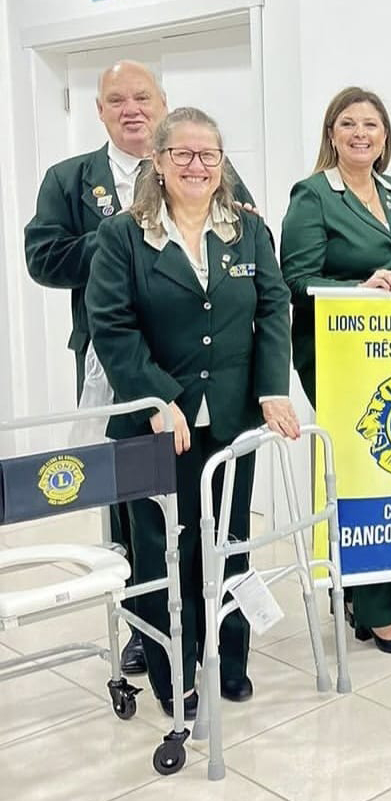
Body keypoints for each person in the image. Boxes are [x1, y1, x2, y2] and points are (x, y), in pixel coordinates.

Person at [23, 60, 257, 676]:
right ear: (99, 110)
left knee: (211, 511)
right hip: (119, 364)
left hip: (204, 369)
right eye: (117, 100)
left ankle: (217, 637)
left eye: (143, 98)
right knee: (136, 511)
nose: (132, 109)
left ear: (162, 103)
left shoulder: (209, 166)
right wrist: (124, 239)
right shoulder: (70, 179)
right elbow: (43, 259)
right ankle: (145, 628)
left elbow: (245, 244)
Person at [86, 107, 298, 718]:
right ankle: (172, 672)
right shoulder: (123, 236)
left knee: (228, 542)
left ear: (222, 163)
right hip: (153, 426)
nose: (197, 165)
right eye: (183, 153)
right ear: (158, 161)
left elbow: (273, 307)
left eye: (209, 155)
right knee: (162, 552)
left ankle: (228, 660)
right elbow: (112, 326)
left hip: (230, 418)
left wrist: (271, 389)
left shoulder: (247, 230)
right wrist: (159, 399)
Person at [280, 87, 391, 655]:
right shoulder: (313, 194)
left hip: (388, 351)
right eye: (348, 124)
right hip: (334, 353)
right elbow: (296, 280)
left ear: (385, 136)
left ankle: (359, 596)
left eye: (371, 124)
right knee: (363, 470)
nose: (361, 133)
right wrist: (358, 288)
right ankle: (378, 610)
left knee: (388, 469)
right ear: (331, 134)